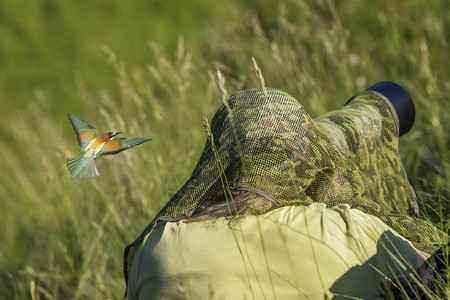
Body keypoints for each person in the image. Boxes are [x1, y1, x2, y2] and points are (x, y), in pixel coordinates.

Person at [124, 82, 449, 299]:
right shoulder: (344, 228)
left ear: (217, 157)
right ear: (304, 158)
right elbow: (432, 278)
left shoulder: (155, 249)